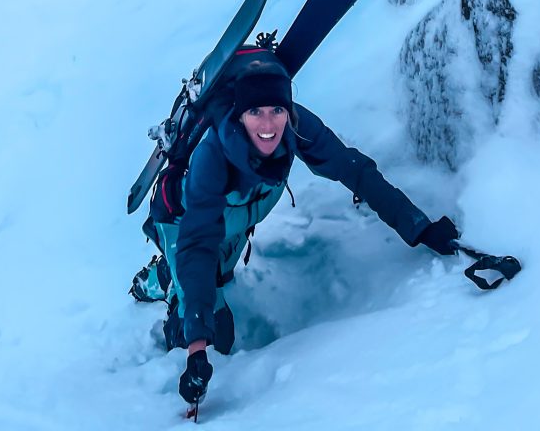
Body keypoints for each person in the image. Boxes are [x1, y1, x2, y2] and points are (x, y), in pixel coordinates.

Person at [132, 44, 461, 406]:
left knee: (216, 279)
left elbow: (355, 170)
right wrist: (195, 349)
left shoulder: (296, 128)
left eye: (277, 110)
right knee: (216, 333)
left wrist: (419, 227)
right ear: (240, 116)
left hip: (234, 222)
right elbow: (197, 241)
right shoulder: (213, 156)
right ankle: (164, 281)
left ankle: (171, 275)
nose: (268, 124)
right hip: (185, 225)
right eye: (255, 111)